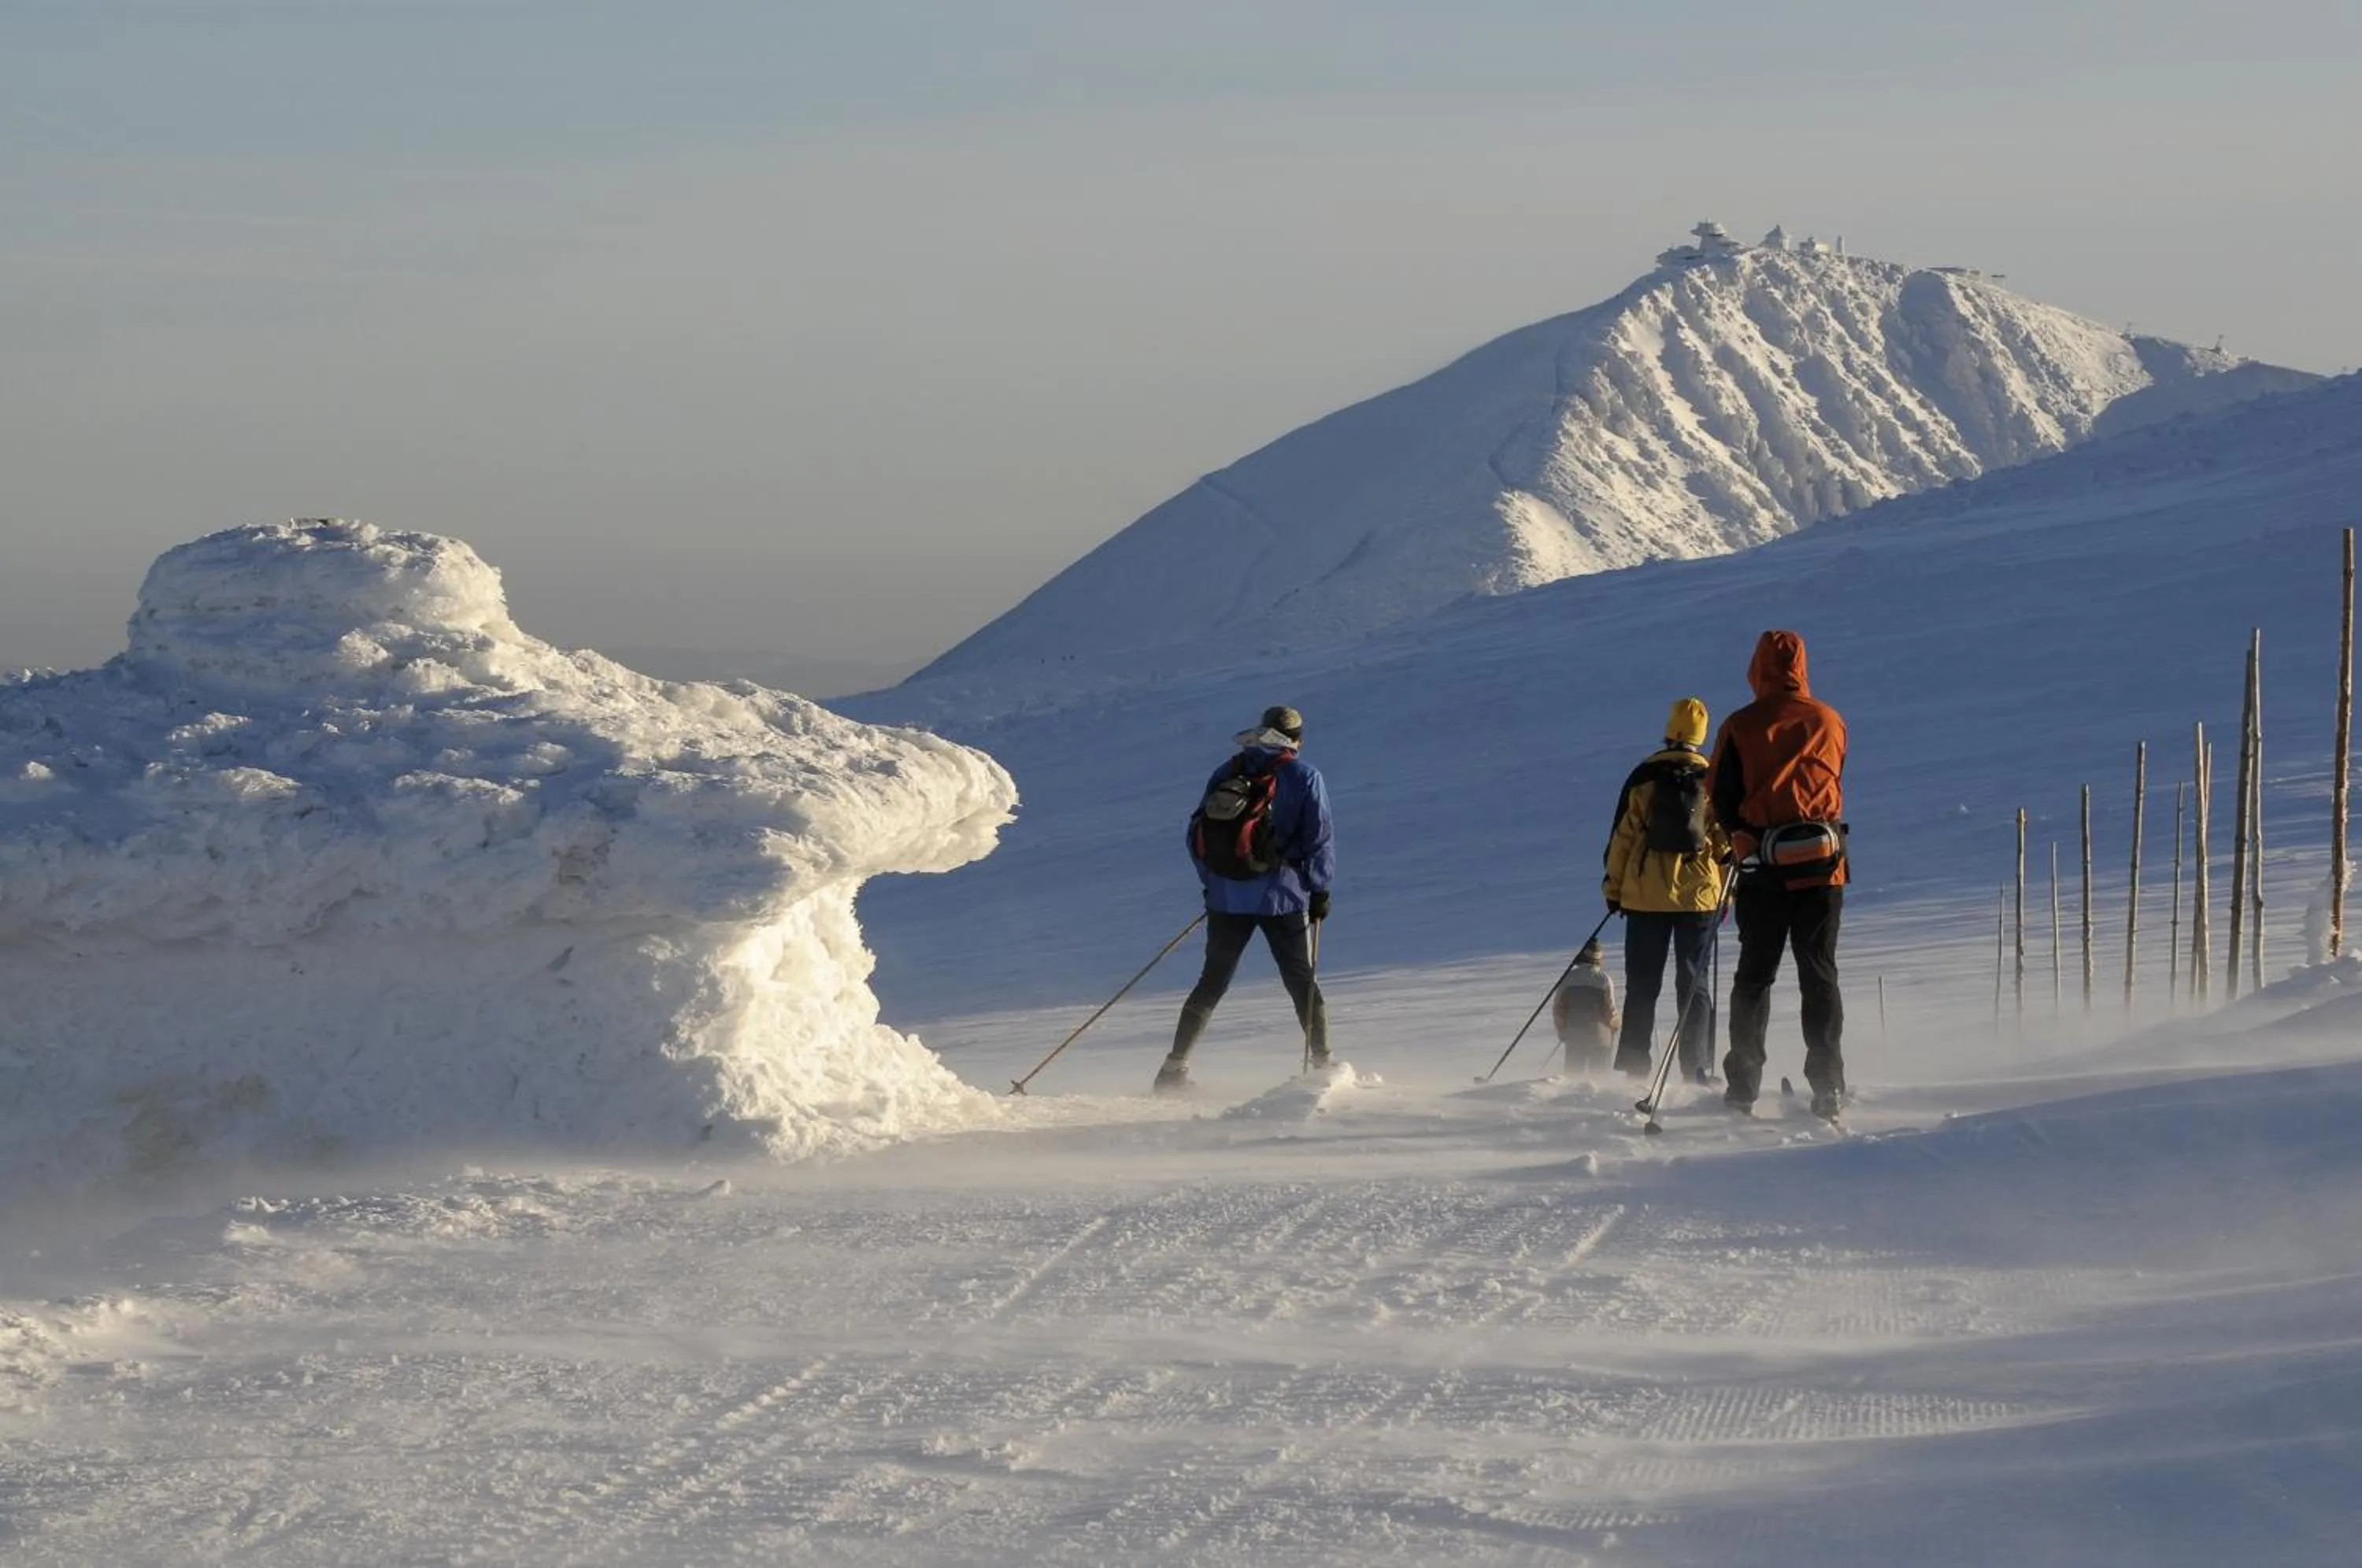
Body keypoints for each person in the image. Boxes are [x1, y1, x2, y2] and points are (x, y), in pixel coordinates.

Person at [1156, 705, 1335, 1092]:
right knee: (1300, 980)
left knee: (1212, 981)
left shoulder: (1230, 770)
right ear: (1297, 737)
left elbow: (1197, 834)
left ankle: (1172, 1070)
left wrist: (1212, 883)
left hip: (1226, 898)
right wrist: (1319, 889)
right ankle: (1322, 1065)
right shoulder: (1305, 776)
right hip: (1282, 898)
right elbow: (1318, 837)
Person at [1709, 631, 1849, 1120]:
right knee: (1819, 972)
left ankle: (1743, 1085)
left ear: (1758, 668)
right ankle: (1829, 1084)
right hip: (1824, 869)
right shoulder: (1830, 719)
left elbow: (1720, 793)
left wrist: (1739, 835)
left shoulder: (1740, 725)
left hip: (1763, 870)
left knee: (1754, 976)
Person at [1601, 698, 1732, 1085]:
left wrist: (1614, 889)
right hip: (1699, 899)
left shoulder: (1644, 776)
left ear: (1669, 728)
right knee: (1695, 984)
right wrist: (1726, 893)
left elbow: (1623, 837)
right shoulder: (1712, 776)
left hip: (1644, 897)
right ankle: (1697, 1068)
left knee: (1643, 983)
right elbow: (1725, 842)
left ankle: (1635, 1066)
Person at [1549, 936, 1619, 1075]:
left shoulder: (1568, 978)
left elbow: (1558, 1009)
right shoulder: (1604, 979)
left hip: (1575, 1035)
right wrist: (1615, 1027)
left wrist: (1562, 1032)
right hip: (1600, 1037)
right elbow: (1610, 1011)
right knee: (1600, 1077)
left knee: (1573, 1077)